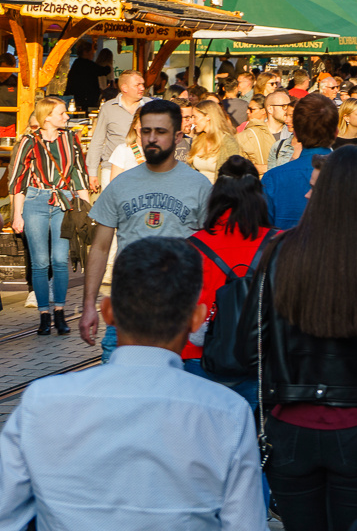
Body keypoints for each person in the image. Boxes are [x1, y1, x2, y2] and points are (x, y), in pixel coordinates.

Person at [0, 237, 265, 529]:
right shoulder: (228, 414)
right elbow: (245, 524)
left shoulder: (41, 402)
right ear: (196, 319)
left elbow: (7, 515)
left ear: (108, 312)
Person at [239, 146, 357, 531]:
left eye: (314, 187)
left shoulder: (280, 252)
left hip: (291, 422)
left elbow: (248, 342)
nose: (305, 195)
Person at [81, 99, 214, 361]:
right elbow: (100, 247)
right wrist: (88, 305)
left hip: (177, 313)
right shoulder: (121, 185)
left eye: (160, 132)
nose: (151, 138)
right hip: (126, 310)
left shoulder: (199, 187)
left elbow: (209, 252)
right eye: (146, 131)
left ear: (178, 136)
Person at [183, 155, 275, 408]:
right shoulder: (279, 244)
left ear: (216, 195)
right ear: (259, 196)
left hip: (199, 360)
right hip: (260, 359)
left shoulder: (191, 247)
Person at [9, 95, 89, 335]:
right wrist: (17, 214)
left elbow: (79, 175)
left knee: (60, 260)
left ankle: (60, 312)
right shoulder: (28, 141)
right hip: (36, 200)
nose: (67, 116)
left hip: (63, 201)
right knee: (40, 262)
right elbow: (18, 181)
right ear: (47, 117)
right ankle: (44, 314)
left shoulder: (71, 139)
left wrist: (84, 209)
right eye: (62, 113)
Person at [261, 93, 338, 231]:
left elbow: (262, 234)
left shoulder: (273, 178)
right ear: (336, 132)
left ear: (295, 132)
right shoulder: (355, 175)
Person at [86, 68, 144, 191]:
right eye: (137, 85)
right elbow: (97, 140)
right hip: (112, 168)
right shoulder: (108, 108)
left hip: (144, 166)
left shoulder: (151, 106)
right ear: (125, 88)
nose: (142, 88)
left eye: (143, 84)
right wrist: (92, 172)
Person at [188, 99, 241, 183]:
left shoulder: (228, 142)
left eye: (195, 117)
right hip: (199, 193)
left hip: (219, 193)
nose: (192, 121)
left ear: (208, 117)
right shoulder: (197, 139)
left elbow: (233, 175)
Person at [236, 94, 276, 174]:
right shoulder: (244, 126)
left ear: (263, 111)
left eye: (251, 109)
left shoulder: (272, 128)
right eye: (248, 108)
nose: (247, 112)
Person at [63, 39, 104, 113]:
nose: (93, 55)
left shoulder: (77, 63)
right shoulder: (87, 64)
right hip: (86, 97)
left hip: (77, 95)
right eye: (92, 53)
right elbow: (103, 70)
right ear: (85, 52)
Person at [265, 89, 297, 169]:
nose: (286, 109)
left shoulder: (293, 134)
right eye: (283, 106)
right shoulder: (253, 134)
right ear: (270, 109)